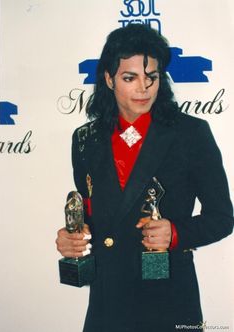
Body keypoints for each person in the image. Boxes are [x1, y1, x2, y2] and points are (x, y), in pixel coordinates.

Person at [56, 24, 233, 332]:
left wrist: (175, 233)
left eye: (151, 77)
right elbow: (95, 212)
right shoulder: (85, 139)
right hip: (107, 299)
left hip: (169, 296)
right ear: (109, 79)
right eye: (130, 77)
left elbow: (222, 218)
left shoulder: (190, 133)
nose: (144, 88)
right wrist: (74, 236)